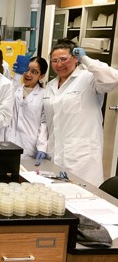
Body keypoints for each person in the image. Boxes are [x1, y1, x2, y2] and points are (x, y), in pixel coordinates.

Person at [43, 39, 118, 187]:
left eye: (64, 59)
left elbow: (113, 78)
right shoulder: (51, 85)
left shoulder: (88, 79)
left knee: (83, 198)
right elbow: (50, 120)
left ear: (75, 59)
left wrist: (86, 59)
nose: (59, 64)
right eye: (54, 60)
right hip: (57, 153)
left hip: (82, 157)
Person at [7, 56, 49, 164]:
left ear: (41, 76)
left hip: (30, 147)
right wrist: (16, 76)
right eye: (27, 69)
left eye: (34, 72)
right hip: (9, 143)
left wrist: (42, 146)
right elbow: (6, 102)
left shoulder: (44, 95)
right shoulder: (14, 89)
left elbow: (44, 123)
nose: (28, 74)